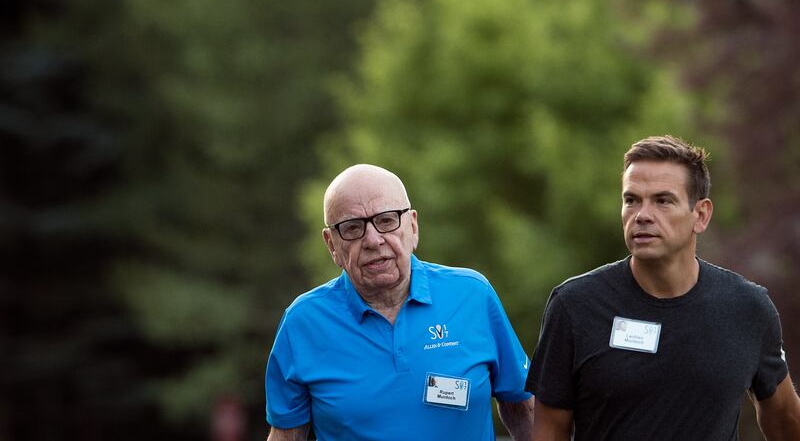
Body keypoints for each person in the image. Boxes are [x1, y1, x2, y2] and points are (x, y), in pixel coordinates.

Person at [526, 135, 800, 440]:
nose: (642, 215)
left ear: (701, 215)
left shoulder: (748, 308)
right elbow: (548, 433)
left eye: (662, 201)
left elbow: (785, 419)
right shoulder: (575, 305)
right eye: (631, 200)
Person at [266, 164, 534, 440]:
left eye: (386, 220)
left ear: (413, 226)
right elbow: (286, 436)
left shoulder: (473, 295)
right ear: (332, 245)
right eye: (352, 227)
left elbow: (525, 411)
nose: (372, 240)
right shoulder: (303, 322)